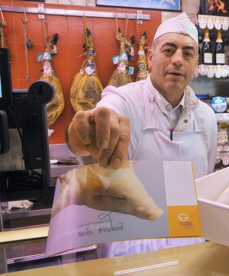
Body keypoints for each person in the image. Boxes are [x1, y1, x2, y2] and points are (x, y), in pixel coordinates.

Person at [66, 13, 218, 257]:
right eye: (169, 50)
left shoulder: (207, 118)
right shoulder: (125, 99)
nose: (178, 60)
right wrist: (84, 132)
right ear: (150, 57)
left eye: (188, 53)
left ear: (196, 64)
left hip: (189, 246)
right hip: (129, 249)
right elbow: (105, 113)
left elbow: (205, 181)